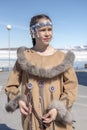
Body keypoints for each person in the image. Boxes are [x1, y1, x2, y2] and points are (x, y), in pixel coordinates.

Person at [5, 14, 78, 130]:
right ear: (33, 32)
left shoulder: (62, 58)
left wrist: (57, 109)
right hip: (32, 120)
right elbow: (11, 85)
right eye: (43, 30)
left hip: (57, 121)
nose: (47, 33)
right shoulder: (24, 58)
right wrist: (19, 101)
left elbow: (71, 87)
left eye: (50, 29)